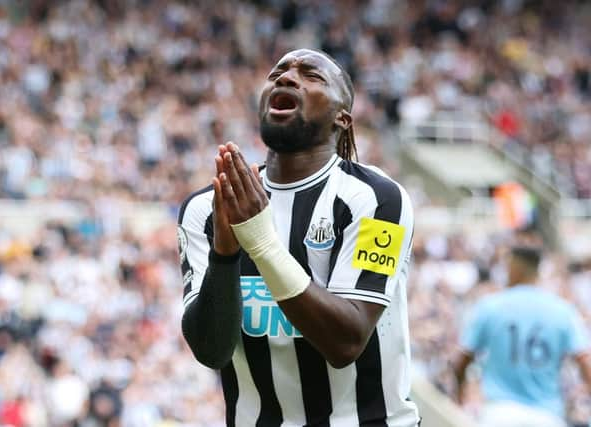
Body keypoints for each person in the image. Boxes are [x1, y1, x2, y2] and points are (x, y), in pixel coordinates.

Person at [178, 48, 420, 426]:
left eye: (312, 76)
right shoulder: (207, 207)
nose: (286, 78)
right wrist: (224, 255)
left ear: (342, 118)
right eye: (278, 73)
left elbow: (346, 342)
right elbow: (211, 351)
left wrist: (260, 243)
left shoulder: (378, 199)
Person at [454, 245, 591, 427]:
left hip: (498, 414)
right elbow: (584, 361)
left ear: (514, 268)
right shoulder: (562, 310)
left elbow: (463, 358)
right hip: (546, 415)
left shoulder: (490, 306)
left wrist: (459, 391)